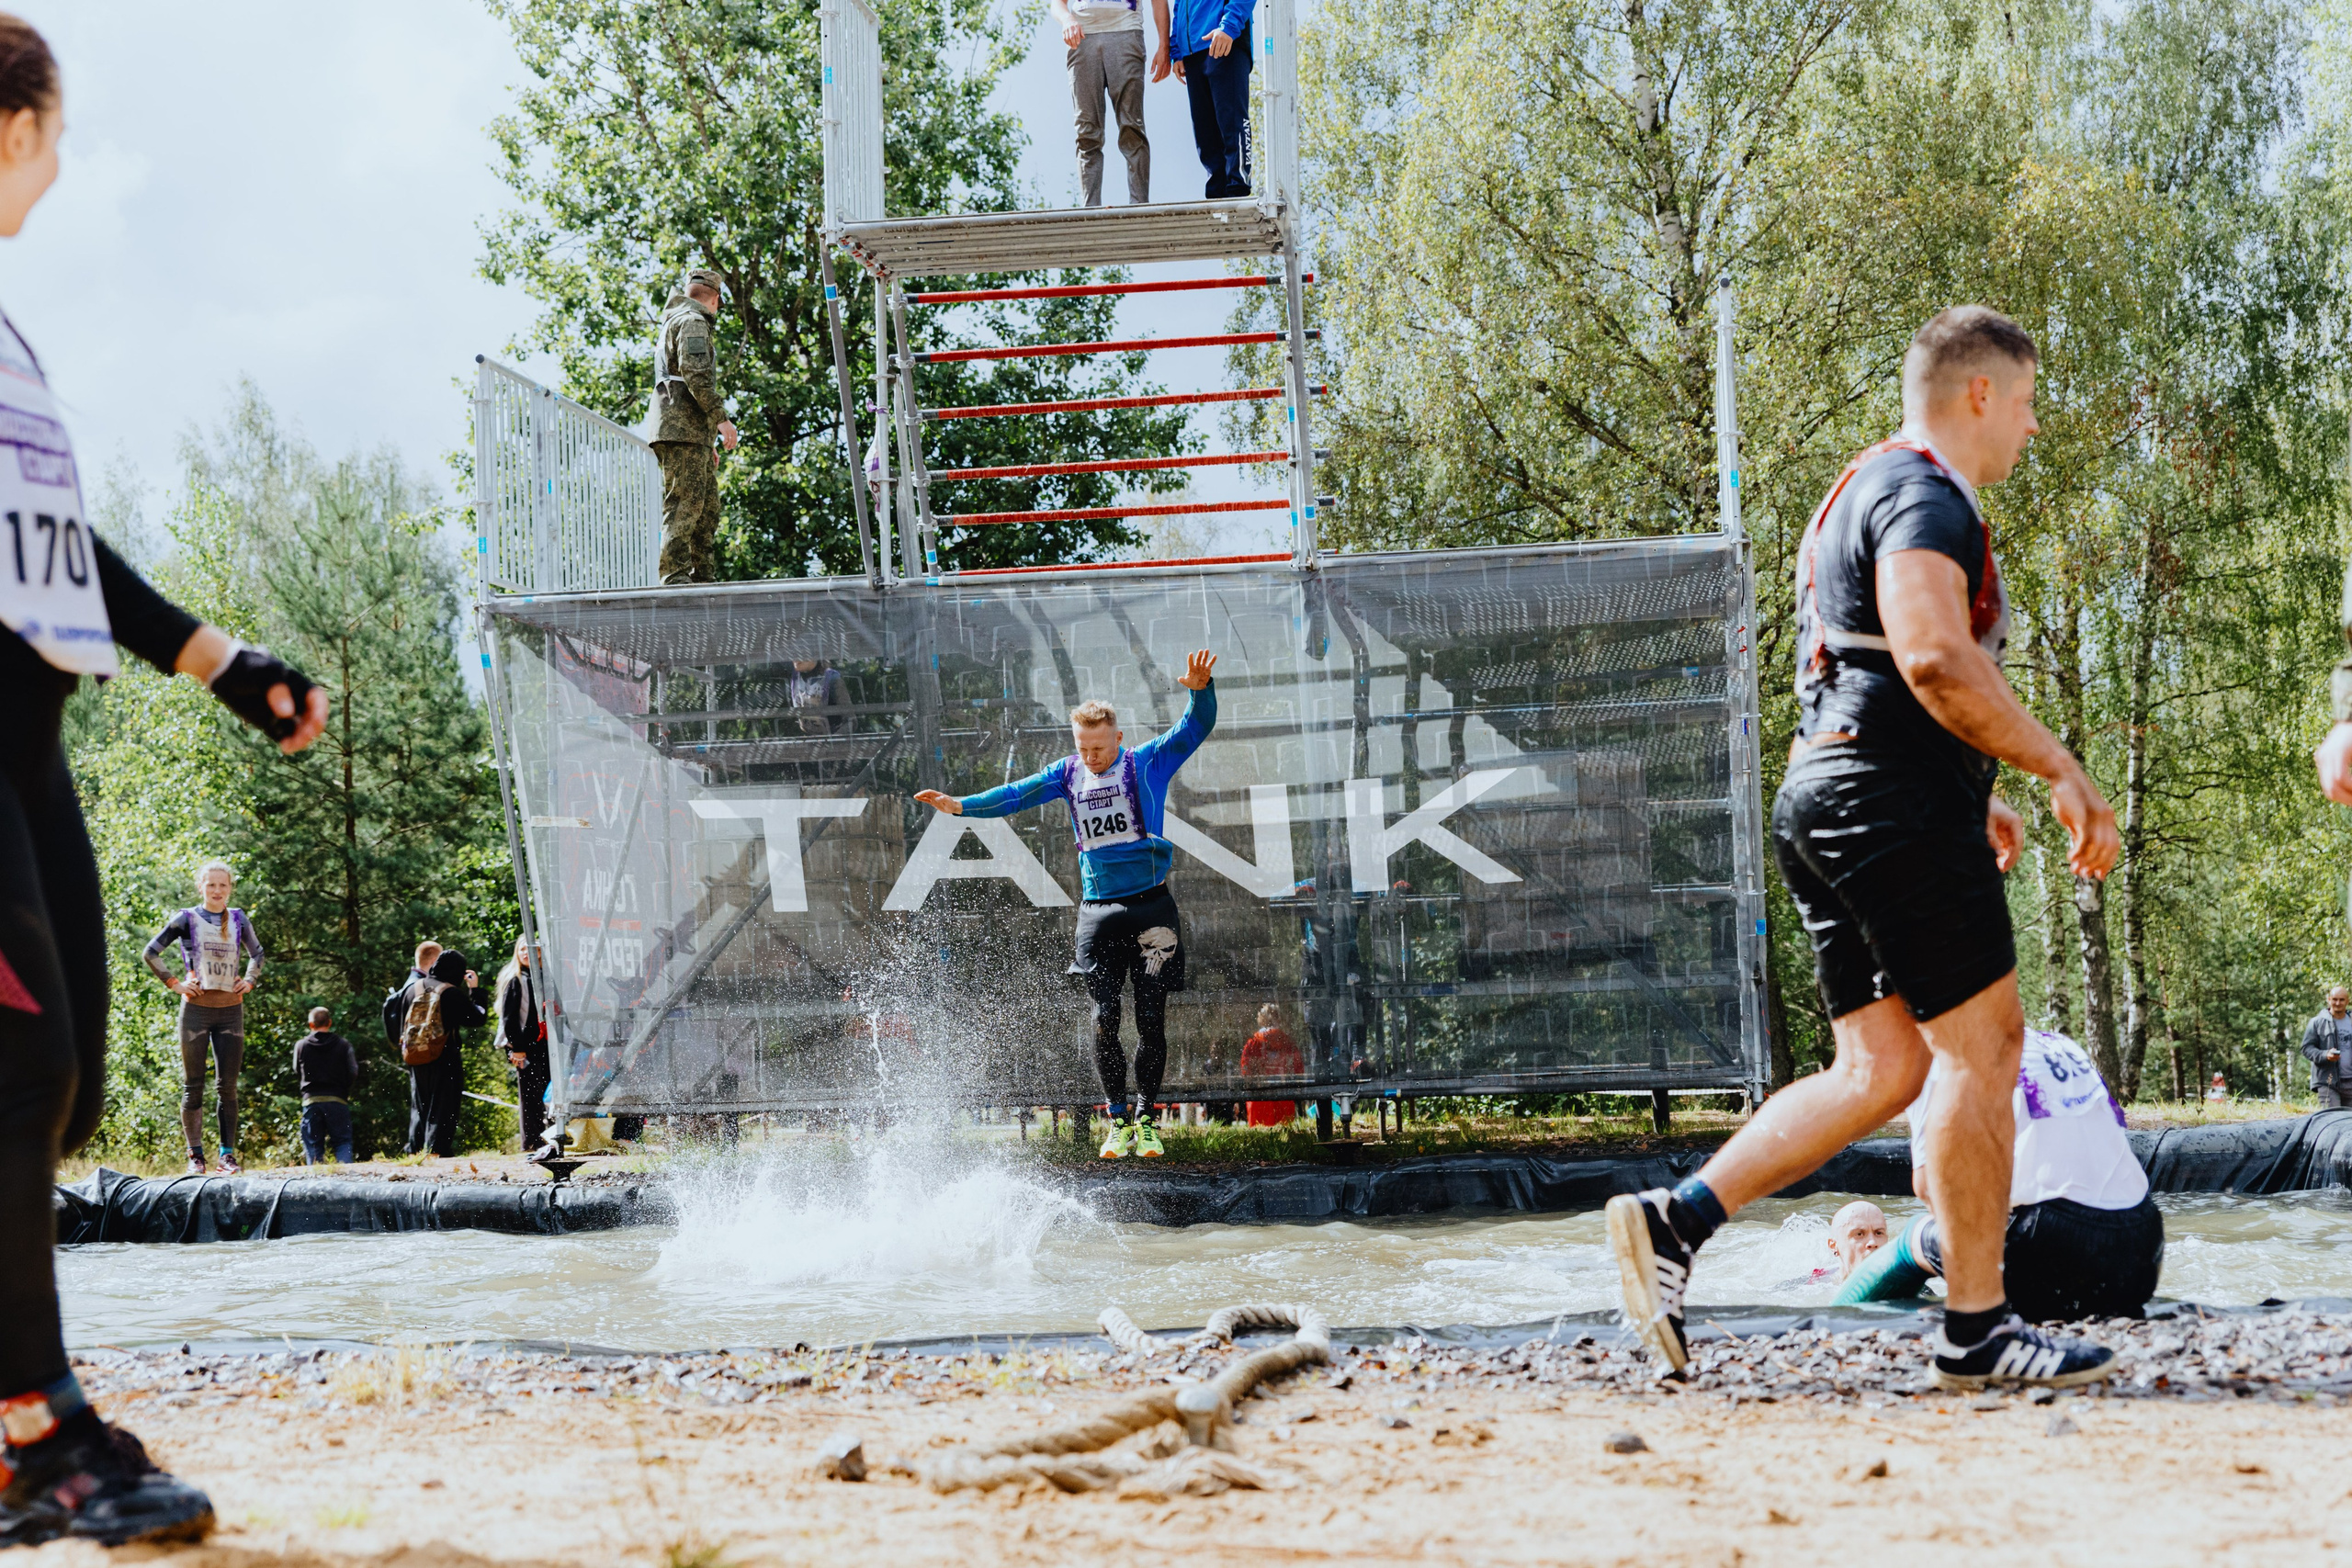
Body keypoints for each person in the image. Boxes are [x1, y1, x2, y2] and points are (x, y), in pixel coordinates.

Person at [1605, 306, 2123, 1393]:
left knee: (1879, 1067)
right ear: (1978, 392)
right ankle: (1976, 1330)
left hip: (1829, 793)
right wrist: (2053, 763)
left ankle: (1674, 1220)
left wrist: (1965, 784)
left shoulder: (1866, 487)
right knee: (1982, 1051)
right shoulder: (1925, 490)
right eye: (2025, 404)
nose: (2030, 429)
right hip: (1882, 803)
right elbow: (1933, 655)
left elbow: (1870, 665)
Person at [0, 18, 329, 1546]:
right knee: (19, 1065)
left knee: (53, 1095)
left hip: (31, 728)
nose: (64, 170)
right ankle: (35, 1433)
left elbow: (71, 560)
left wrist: (232, 667)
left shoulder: (7, 342)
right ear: (15, 126)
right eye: (58, 136)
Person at [915, 649, 1217, 1160]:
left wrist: (1200, 689)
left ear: (1117, 739)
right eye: (1083, 748)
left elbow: (1193, 729)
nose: (1091, 757)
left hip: (1151, 912)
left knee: (1150, 1019)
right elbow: (1015, 794)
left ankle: (1146, 1121)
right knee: (1103, 1017)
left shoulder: (1145, 763)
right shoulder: (1067, 773)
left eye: (1099, 748)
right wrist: (960, 805)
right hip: (1098, 914)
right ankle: (1116, 1121)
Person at [1837, 1029, 2164, 1320]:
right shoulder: (2057, 1044)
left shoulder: (1939, 1054)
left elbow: (1930, 1189)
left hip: (2057, 1257)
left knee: (1916, 1234)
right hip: (2143, 1257)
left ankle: (1838, 1315)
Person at [141, 862, 265, 1176]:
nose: (217, 891)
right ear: (201, 887)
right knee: (193, 1086)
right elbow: (150, 952)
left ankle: (227, 1156)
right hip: (195, 1010)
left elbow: (258, 955)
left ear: (230, 888)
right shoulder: (186, 918)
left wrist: (249, 981)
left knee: (228, 1088)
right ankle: (195, 1157)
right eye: (211, 885)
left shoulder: (238, 918)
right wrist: (175, 983)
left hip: (230, 1011)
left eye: (223, 885)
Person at [650, 267, 739, 585]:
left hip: (689, 430)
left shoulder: (675, 320)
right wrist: (721, 419)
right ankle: (674, 576)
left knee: (706, 506)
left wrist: (708, 440)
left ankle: (702, 575)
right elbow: (696, 373)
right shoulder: (693, 322)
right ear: (714, 299)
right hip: (680, 427)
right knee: (686, 503)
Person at [1051, 0, 1169, 207]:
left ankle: (1139, 207)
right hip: (1082, 39)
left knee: (1132, 127)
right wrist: (1067, 19)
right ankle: (1090, 211)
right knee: (1087, 132)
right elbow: (1057, 4)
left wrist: (1164, 46)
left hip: (1126, 33)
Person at [388, 945, 487, 1158]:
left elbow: (397, 1019)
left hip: (415, 1055)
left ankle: (415, 1150)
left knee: (419, 1105)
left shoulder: (412, 989)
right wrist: (476, 991)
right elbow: (477, 1018)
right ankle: (437, 1150)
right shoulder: (450, 992)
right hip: (444, 1056)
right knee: (444, 1105)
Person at [1170, 0, 1252, 197]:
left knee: (1231, 122)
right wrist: (1176, 50)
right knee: (1204, 134)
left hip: (1224, 41)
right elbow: (1179, 6)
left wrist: (1229, 26)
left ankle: (1238, 186)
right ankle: (1216, 194)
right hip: (1191, 54)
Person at [495, 937, 550, 1153]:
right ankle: (532, 1141)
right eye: (522, 949)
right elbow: (509, 1019)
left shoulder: (545, 978)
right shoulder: (515, 980)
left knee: (546, 1093)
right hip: (524, 1048)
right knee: (530, 1096)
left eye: (532, 949)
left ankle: (548, 1137)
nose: (526, 953)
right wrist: (517, 1048)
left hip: (544, 1046)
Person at [292, 1008, 359, 1166]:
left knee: (314, 1149)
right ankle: (348, 1180)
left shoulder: (301, 1045)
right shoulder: (344, 1044)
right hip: (338, 1100)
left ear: (310, 1024)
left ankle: (314, 1186)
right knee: (343, 1142)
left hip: (311, 1101)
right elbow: (353, 1071)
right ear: (330, 1022)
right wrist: (343, 1088)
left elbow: (296, 1070)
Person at [1238, 1003, 1301, 1127]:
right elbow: (1297, 1068)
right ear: (1279, 1018)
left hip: (1259, 1097)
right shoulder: (1287, 1042)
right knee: (1285, 1132)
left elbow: (1246, 1070)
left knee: (1261, 1136)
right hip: (1284, 1095)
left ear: (1261, 1020)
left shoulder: (1253, 1043)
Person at [2301, 987, 2352, 1110]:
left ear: (2347, 1001)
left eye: (2341, 1000)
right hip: (2327, 1082)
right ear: (2329, 1000)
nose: (2338, 1003)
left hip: (2350, 1082)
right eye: (2334, 999)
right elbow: (2306, 1048)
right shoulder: (2317, 1022)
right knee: (2333, 1120)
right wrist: (2325, 1055)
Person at [787, 657, 850, 735]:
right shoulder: (795, 677)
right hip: (808, 742)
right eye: (793, 654)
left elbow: (850, 721)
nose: (795, 659)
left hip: (833, 741)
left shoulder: (832, 678)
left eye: (801, 653)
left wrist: (832, 742)